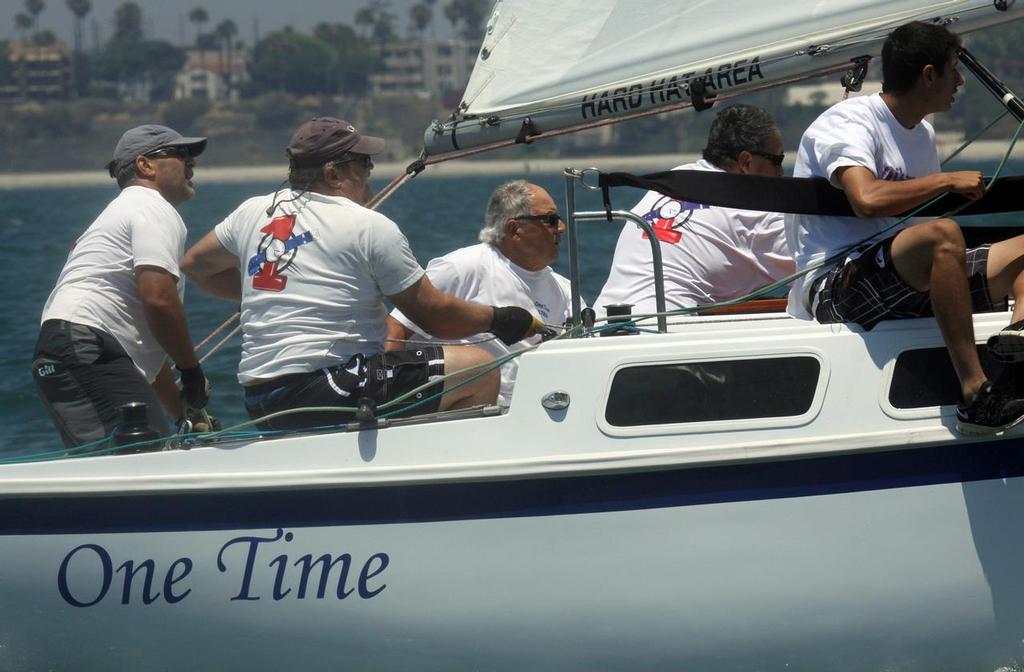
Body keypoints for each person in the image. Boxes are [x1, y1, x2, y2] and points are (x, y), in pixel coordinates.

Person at [180, 117, 541, 430]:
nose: (370, 173)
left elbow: (196, 266)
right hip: (325, 390)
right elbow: (433, 315)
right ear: (332, 173)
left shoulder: (251, 211)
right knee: (477, 368)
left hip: (261, 400)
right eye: (363, 163)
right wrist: (500, 318)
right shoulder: (369, 226)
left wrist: (274, 292)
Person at [785, 20, 1024, 435]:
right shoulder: (848, 122)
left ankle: (1017, 355)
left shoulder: (922, 134)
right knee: (943, 234)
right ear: (929, 75)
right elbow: (867, 200)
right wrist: (947, 180)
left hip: (903, 277)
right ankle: (974, 394)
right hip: (835, 288)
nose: (961, 81)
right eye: (954, 69)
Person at [32, 124, 210, 449]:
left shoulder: (121, 211)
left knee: (128, 458)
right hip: (88, 347)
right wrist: (192, 371)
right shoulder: (151, 207)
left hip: (70, 346)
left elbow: (147, 356)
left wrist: (183, 412)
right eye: (181, 155)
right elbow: (158, 300)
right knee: (142, 458)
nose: (192, 164)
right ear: (145, 165)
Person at [595, 104, 794, 316]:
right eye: (777, 160)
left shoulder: (676, 180)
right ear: (746, 161)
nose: (781, 172)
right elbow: (817, 265)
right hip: (661, 333)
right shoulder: (753, 210)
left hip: (600, 325)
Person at [387, 180, 573, 406]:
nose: (561, 228)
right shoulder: (463, 267)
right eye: (551, 220)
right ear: (515, 229)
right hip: (471, 414)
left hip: (537, 408)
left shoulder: (564, 290)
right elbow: (395, 329)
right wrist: (390, 402)